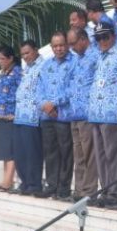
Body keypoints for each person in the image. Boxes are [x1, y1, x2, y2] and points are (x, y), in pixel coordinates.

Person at [87, 21, 117, 208]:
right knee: (100, 156)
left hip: (112, 113)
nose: (102, 41)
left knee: (113, 155)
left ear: (114, 36)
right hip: (96, 112)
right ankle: (105, 190)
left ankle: (115, 192)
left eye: (105, 37)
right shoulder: (99, 57)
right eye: (98, 38)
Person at [35, 31, 76, 200]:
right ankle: (51, 185)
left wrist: (55, 102)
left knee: (66, 152)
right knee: (50, 152)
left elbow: (74, 88)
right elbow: (38, 88)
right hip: (47, 116)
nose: (59, 48)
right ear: (51, 47)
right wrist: (44, 104)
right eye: (55, 46)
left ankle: (63, 188)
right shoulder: (46, 65)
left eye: (61, 45)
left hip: (63, 114)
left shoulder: (74, 62)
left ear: (66, 44)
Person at [67, 28, 99, 201]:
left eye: (73, 43)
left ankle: (89, 190)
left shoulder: (95, 56)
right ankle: (79, 189)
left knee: (89, 154)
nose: (71, 48)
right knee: (78, 155)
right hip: (74, 113)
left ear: (83, 39)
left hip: (88, 113)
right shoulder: (75, 59)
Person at [12, 40, 44, 196]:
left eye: (28, 53)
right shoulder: (26, 69)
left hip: (33, 116)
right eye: (23, 54)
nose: (25, 56)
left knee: (33, 153)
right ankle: (25, 182)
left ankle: (34, 183)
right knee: (20, 153)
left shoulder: (43, 66)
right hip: (20, 115)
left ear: (36, 50)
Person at [0, 45, 22, 192]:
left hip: (11, 114)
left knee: (10, 150)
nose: (0, 61)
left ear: (10, 58)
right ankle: (5, 179)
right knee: (3, 150)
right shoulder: (3, 73)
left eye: (3, 58)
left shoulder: (17, 73)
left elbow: (21, 92)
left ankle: (8, 181)